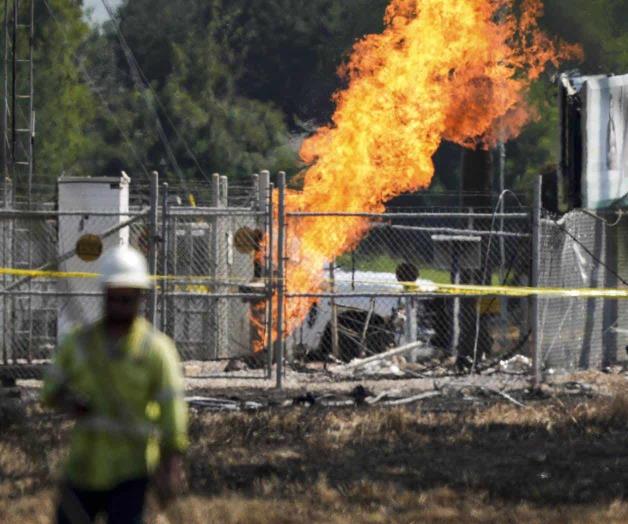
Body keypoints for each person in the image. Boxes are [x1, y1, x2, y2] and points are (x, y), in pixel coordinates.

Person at [42, 245, 189, 524]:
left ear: (140, 298)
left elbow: (173, 410)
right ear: (104, 295)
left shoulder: (156, 350)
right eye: (115, 298)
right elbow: (50, 390)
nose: (121, 305)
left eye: (127, 298)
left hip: (131, 472)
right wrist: (69, 401)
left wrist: (172, 463)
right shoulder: (80, 343)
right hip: (83, 469)